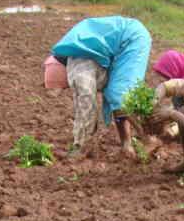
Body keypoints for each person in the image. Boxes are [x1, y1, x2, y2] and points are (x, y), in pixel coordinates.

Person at [43, 16, 152, 159]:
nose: (67, 88)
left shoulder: (78, 69)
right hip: (130, 36)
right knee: (116, 93)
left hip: (133, 38)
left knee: (120, 95)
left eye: (63, 87)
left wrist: (80, 146)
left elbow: (86, 102)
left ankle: (149, 139)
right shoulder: (80, 54)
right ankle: (127, 143)